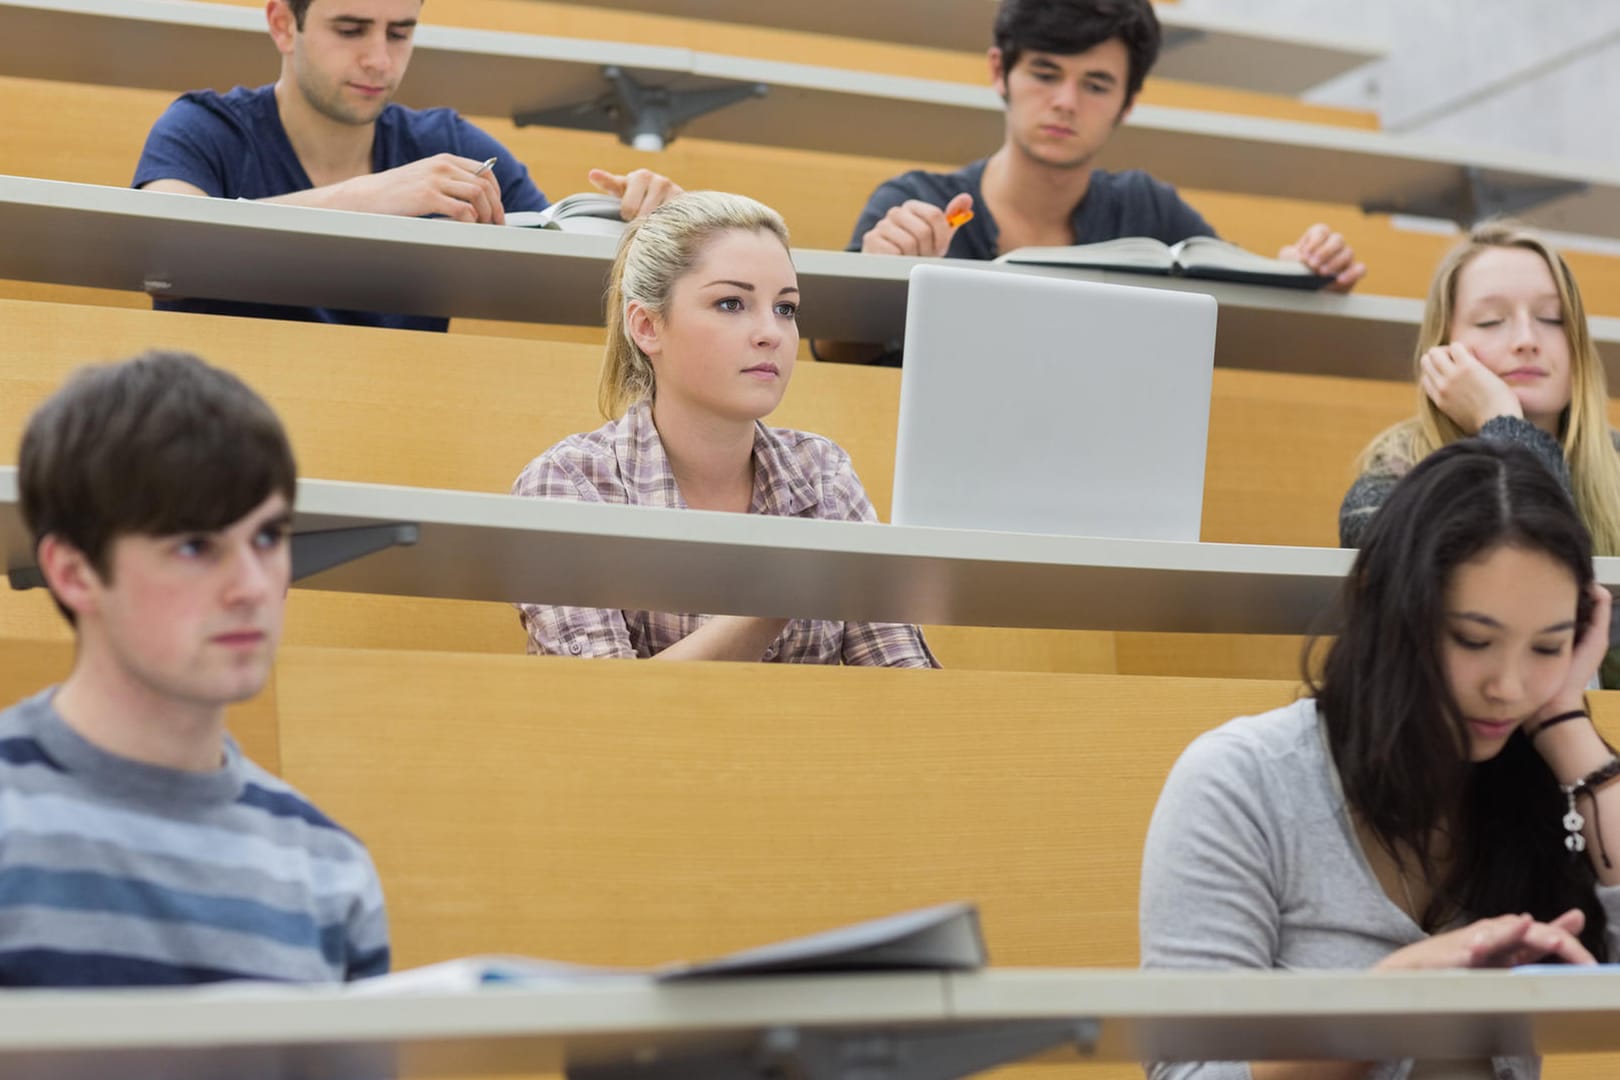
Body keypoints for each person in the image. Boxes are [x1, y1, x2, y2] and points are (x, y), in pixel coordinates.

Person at [1140, 439, 1620, 1080]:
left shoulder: (1535, 781)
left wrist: (1563, 721)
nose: (1508, 686)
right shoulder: (1244, 781)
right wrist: (1383, 1006)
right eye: (1474, 639)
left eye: (1547, 647)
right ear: (1387, 608)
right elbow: (1187, 1073)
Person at [4, 350, 389, 986]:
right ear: (73, 574)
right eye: (194, 546)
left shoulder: (327, 869)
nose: (251, 587)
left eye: (267, 539)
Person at [512, 191, 938, 666]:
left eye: (786, 308)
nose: (771, 333)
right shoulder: (569, 483)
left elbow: (904, 680)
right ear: (647, 326)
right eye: (732, 304)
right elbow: (604, 709)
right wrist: (781, 599)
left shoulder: (824, 474)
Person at [824, 0, 1365, 364]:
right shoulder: (915, 202)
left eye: (1097, 84)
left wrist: (1306, 270)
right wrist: (878, 273)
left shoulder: (1146, 209)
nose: (1065, 101)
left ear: (1128, 103)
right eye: (1044, 72)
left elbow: (1243, 298)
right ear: (998, 71)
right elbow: (834, 353)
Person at [132, 0, 682, 331]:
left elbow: (565, 270)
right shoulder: (203, 127)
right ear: (282, 23)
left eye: (400, 32)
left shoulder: (446, 142)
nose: (379, 59)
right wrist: (366, 199)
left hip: (399, 428)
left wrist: (660, 230)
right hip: (215, 448)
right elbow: (163, 250)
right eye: (350, 30)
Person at [1340, 223, 1620, 684]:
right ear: (1443, 349)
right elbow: (1532, 585)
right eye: (1491, 321)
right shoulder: (1393, 476)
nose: (1527, 339)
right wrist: (1501, 420)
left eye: (1553, 319)